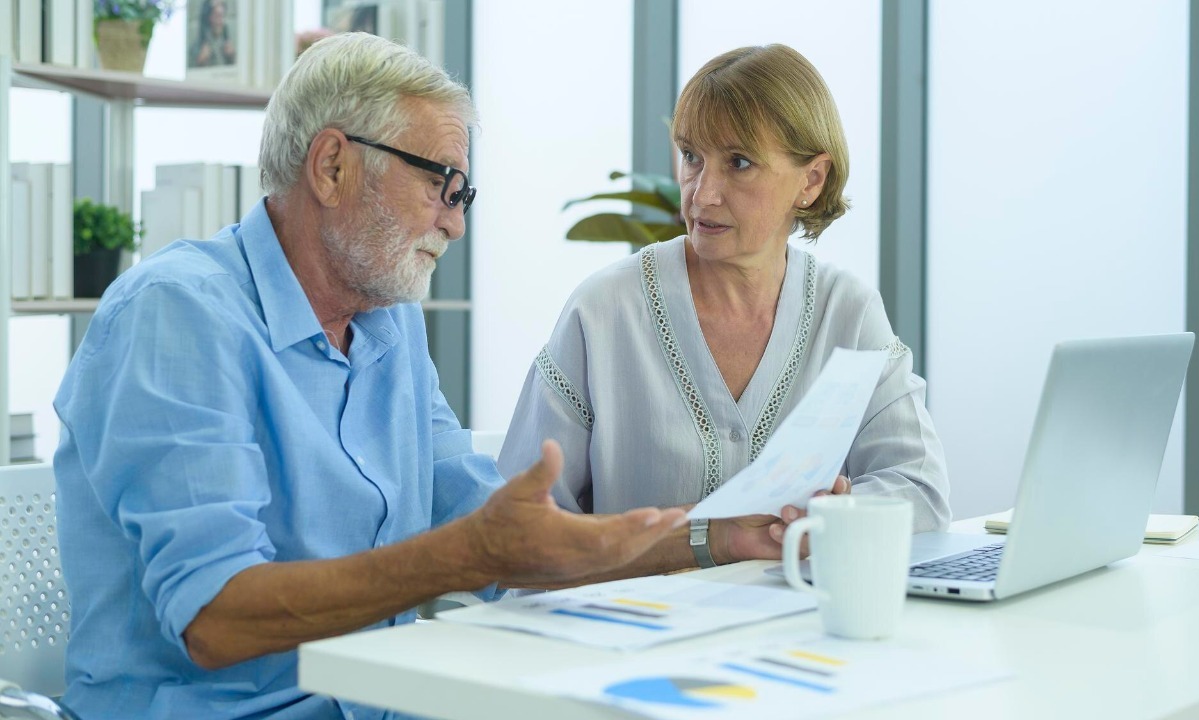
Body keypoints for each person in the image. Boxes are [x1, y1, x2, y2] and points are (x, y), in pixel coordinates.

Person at [52, 33, 688, 720]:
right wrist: (468, 556)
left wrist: (709, 538)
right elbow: (216, 616)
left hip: (384, 703)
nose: (456, 224)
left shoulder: (390, 322)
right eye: (441, 184)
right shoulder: (175, 315)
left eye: (464, 195)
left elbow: (473, 508)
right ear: (331, 166)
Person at [499, 44, 951, 563]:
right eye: (692, 157)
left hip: (795, 634)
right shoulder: (603, 311)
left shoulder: (847, 312)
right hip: (632, 635)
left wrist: (827, 516)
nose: (703, 193)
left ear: (812, 180)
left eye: (739, 163)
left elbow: (921, 493)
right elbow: (516, 529)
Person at [189, 0, 235, 68]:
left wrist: (231, 58)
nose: (221, 21)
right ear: (208, 18)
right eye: (217, 16)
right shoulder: (196, 48)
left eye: (222, 16)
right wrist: (199, 63)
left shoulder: (227, 45)